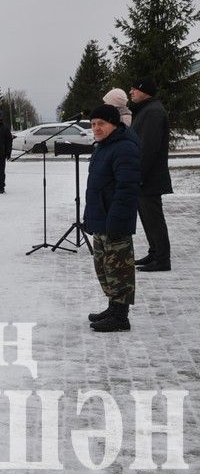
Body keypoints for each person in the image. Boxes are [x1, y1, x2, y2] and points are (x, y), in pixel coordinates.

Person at [83, 104, 141, 332]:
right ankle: (113, 306)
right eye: (93, 124)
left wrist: (116, 220)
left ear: (114, 124)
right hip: (102, 217)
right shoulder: (104, 146)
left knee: (119, 269)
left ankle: (120, 317)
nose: (96, 128)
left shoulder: (124, 148)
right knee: (105, 266)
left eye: (101, 124)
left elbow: (127, 188)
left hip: (114, 219)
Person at [129, 76, 172, 272]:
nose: (131, 92)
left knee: (154, 218)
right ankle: (154, 252)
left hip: (149, 177)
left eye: (134, 89)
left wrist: (138, 175)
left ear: (145, 91)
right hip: (145, 177)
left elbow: (148, 148)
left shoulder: (153, 112)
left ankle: (162, 259)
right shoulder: (146, 110)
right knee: (147, 218)